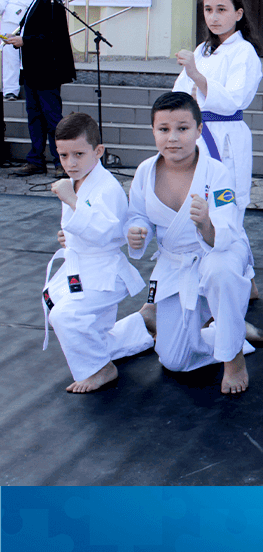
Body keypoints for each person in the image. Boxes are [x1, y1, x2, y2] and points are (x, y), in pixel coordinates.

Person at [124, 92, 253, 394]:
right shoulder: (145, 171)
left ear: (199, 130)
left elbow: (227, 230)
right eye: (164, 129)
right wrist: (137, 231)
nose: (173, 138)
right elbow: (138, 215)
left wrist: (206, 223)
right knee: (175, 361)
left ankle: (233, 358)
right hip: (176, 264)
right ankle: (230, 331)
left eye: (182, 128)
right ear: (153, 131)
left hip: (217, 254)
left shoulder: (216, 172)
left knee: (220, 270)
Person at [171, 0, 263, 341]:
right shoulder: (204, 50)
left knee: (229, 211)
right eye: (208, 10)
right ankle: (247, 281)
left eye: (221, 10)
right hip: (198, 137)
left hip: (227, 139)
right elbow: (180, 92)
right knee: (204, 209)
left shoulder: (244, 54)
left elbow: (235, 100)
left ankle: (232, 300)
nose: (213, 17)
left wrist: (198, 76)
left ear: (238, 14)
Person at [41, 113, 152, 392]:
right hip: (82, 265)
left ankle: (100, 368)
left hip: (105, 272)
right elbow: (83, 227)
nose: (70, 163)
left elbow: (107, 232)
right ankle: (140, 327)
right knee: (64, 308)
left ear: (98, 151)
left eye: (78, 154)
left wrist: (72, 200)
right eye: (63, 155)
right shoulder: (77, 180)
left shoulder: (107, 187)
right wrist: (69, 238)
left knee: (66, 316)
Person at [6, 0, 75, 176]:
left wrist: (24, 41)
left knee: (52, 117)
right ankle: (36, 160)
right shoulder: (38, 0)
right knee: (34, 116)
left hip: (46, 71)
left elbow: (53, 37)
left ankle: (60, 161)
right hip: (32, 70)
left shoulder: (50, 0)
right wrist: (17, 38)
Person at [0, 0, 33, 99]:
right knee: (9, 56)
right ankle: (10, 90)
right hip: (11, 20)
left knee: (30, 55)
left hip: (31, 22)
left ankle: (31, 88)